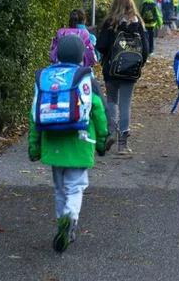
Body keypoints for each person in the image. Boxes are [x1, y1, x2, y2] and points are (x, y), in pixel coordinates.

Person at [28, 35, 108, 252]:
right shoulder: (86, 78)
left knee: (59, 189)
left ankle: (61, 223)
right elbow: (99, 113)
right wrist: (102, 141)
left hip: (53, 145)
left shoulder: (46, 77)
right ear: (82, 56)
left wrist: (34, 147)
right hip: (80, 144)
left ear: (57, 54)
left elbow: (34, 116)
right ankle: (70, 219)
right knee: (76, 187)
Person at [96, 0, 149, 156]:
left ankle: (111, 131)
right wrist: (138, 64)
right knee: (126, 103)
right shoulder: (137, 22)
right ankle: (123, 145)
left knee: (112, 100)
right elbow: (146, 49)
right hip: (130, 70)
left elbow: (101, 45)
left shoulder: (110, 22)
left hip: (112, 69)